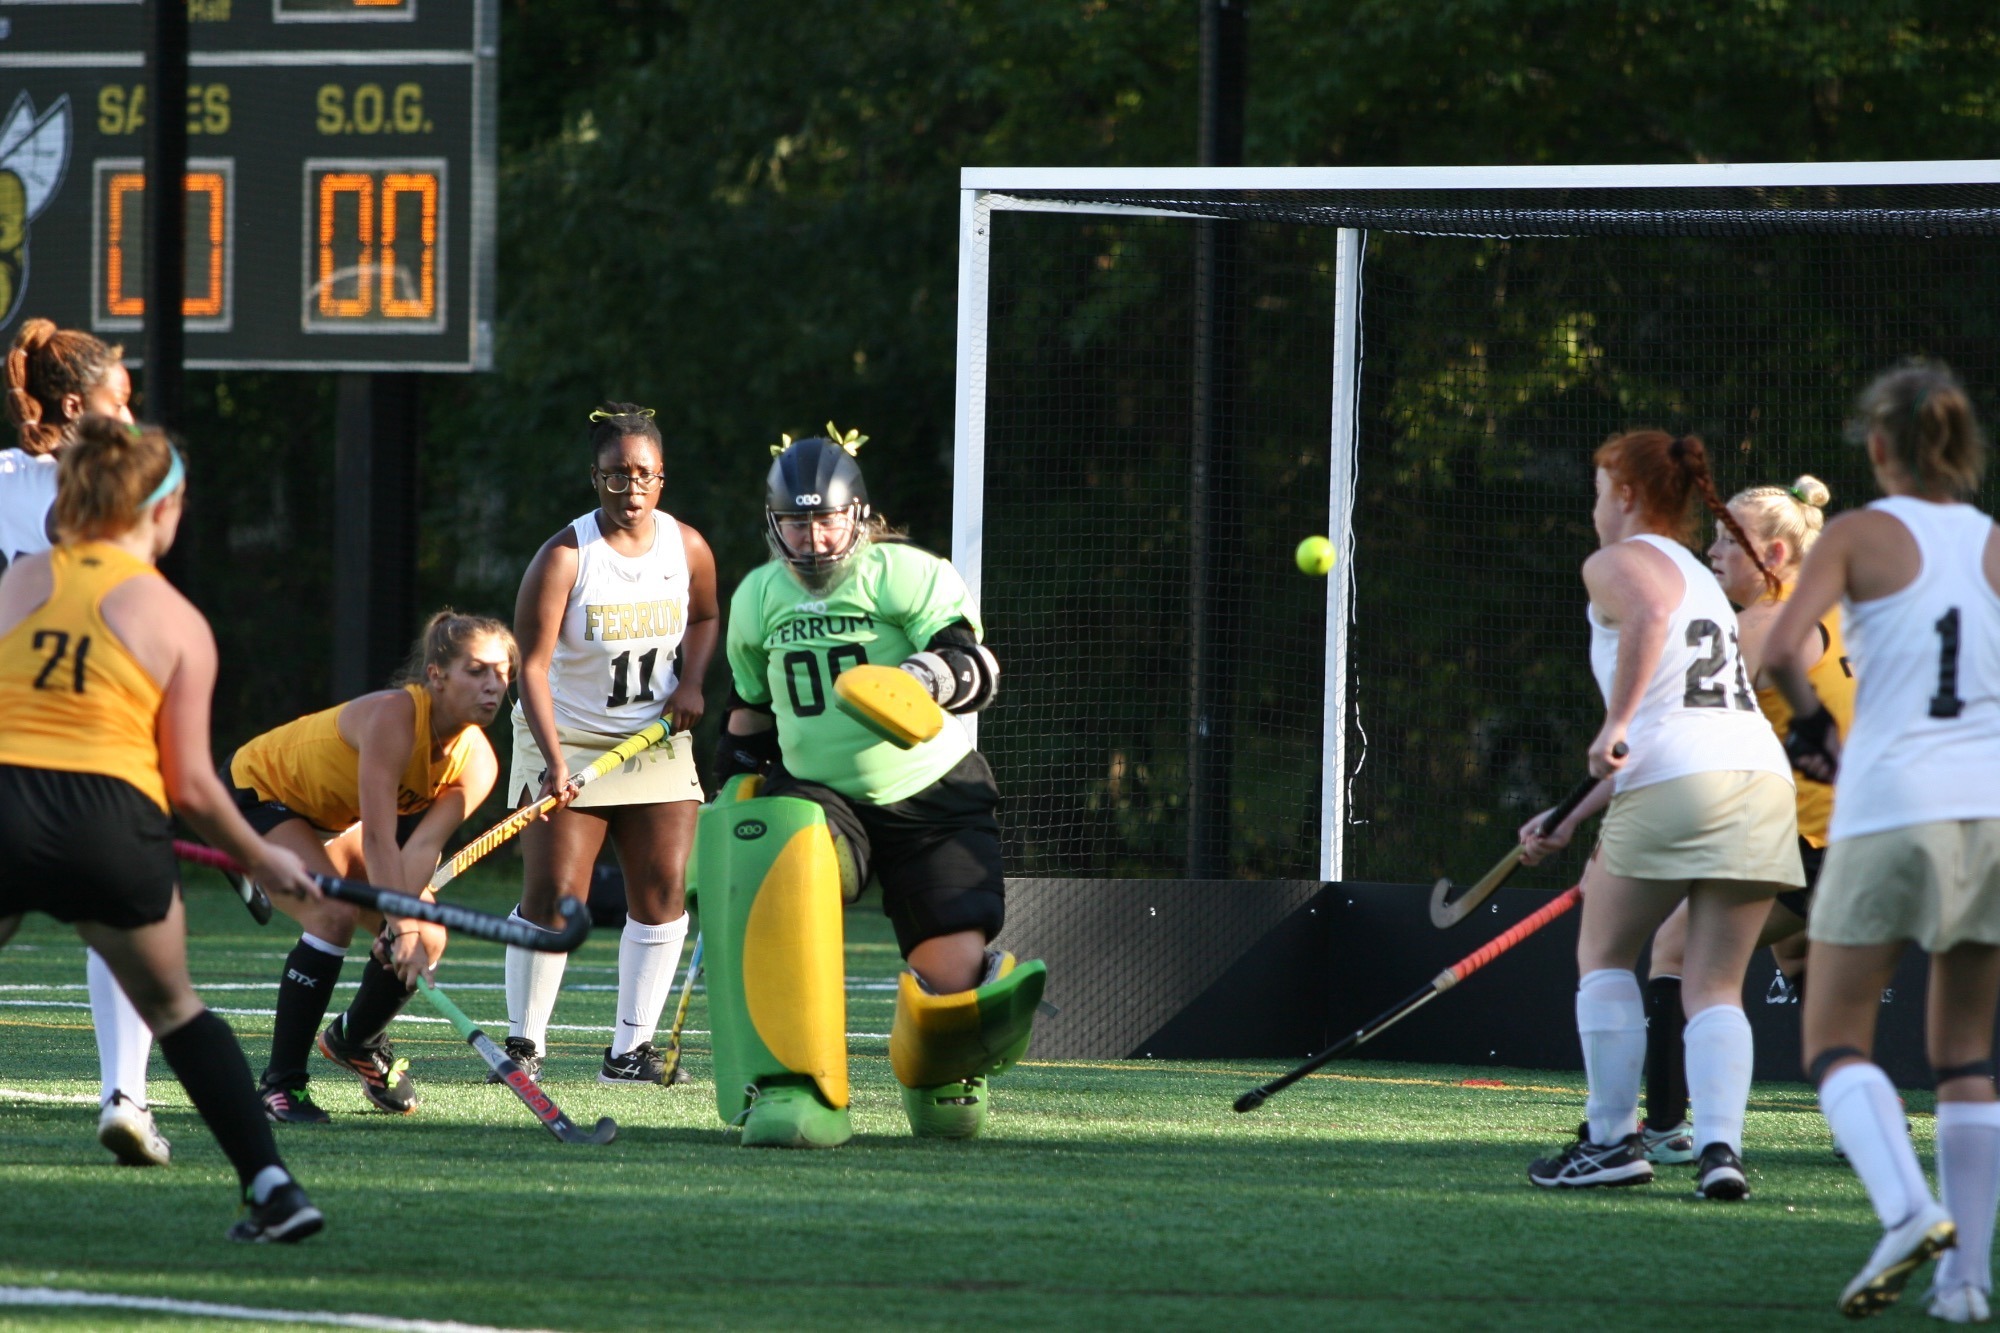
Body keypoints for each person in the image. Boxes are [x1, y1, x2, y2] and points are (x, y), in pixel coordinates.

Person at [0, 416, 323, 1240]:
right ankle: (273, 1187)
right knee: (176, 1007)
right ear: (165, 507)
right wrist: (260, 860)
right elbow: (188, 783)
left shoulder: (21, 578)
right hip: (110, 827)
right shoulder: (178, 619)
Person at [706, 427, 1043, 1148]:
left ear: (858, 515)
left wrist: (921, 677)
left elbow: (971, 661)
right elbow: (749, 712)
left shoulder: (907, 574)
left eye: (827, 519)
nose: (815, 538)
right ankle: (800, 1083)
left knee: (952, 973)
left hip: (930, 788)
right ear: (774, 525)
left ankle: (938, 1065)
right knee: (783, 871)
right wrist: (729, 792)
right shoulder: (758, 596)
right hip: (819, 794)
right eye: (797, 522)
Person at [1766, 363, 2000, 1321]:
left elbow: (1785, 644)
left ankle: (1907, 1209)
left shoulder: (1860, 531)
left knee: (1833, 1035)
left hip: (1887, 801)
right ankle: (1968, 1280)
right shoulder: (1990, 541)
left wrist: (1814, 724)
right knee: (1966, 1054)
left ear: (1877, 446)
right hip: (1987, 808)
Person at [1519, 430, 1803, 1200]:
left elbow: (1645, 639)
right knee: (1714, 984)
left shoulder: (1618, 564)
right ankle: (1720, 1150)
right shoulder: (1706, 582)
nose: (1594, 505)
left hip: (1678, 778)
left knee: (1604, 954)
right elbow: (1688, 720)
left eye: (1600, 488)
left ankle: (1611, 1141)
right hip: (1757, 779)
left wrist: (1615, 721)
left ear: (1629, 495)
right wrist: (1572, 813)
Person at [1639, 475, 1854, 1166]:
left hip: (1819, 842)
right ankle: (1859, 1124)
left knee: (1676, 951)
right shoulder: (1844, 607)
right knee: (1796, 950)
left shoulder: (1760, 624)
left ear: (1776, 553)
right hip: (1888, 835)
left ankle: (1662, 1127)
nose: (1710, 550)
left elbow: (1693, 727)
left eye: (1727, 539)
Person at [500, 403, 716, 1083]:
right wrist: (558, 762)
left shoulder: (688, 547)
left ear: (662, 478)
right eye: (616, 475)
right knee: (557, 892)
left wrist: (692, 684)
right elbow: (530, 667)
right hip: (564, 735)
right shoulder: (565, 556)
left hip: (653, 738)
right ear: (595, 479)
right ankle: (523, 1047)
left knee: (662, 888)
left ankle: (630, 1052)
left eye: (643, 474)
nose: (631, 489)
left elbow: (706, 616)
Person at [2, 317, 174, 1168]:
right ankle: (126, 1096)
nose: (133, 418)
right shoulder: (111, 504)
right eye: (122, 401)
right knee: (128, 917)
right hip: (88, 743)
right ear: (78, 405)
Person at [230, 610, 513, 1122]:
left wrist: (405, 927)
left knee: (430, 934)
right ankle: (281, 1087)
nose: (493, 686)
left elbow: (420, 849)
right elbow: (381, 835)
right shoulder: (393, 717)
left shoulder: (479, 762)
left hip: (333, 824)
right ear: (436, 675)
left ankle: (354, 1040)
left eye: (502, 672)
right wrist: (394, 923)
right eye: (477, 671)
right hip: (263, 796)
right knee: (332, 916)